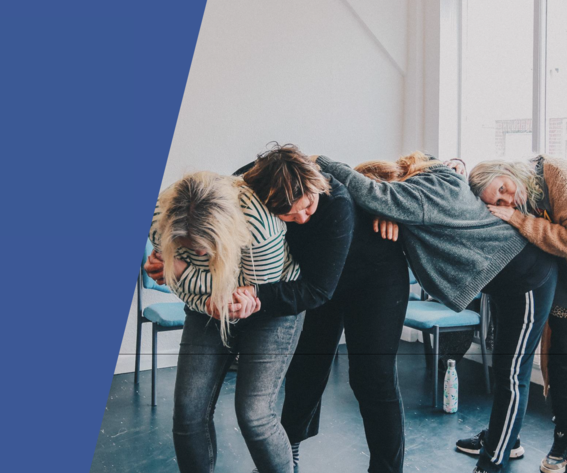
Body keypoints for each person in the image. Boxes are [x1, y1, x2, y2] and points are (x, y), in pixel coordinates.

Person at [148, 143, 409, 473]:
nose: (302, 217)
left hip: (371, 278)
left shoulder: (334, 203)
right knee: (305, 372)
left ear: (314, 186)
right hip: (304, 280)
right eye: (289, 213)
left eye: (307, 205)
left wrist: (250, 296)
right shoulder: (248, 186)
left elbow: (316, 290)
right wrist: (175, 262)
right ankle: (291, 451)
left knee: (373, 378)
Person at [319, 152, 558, 473]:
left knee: (512, 373)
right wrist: (390, 212)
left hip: (529, 276)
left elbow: (374, 194)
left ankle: (493, 462)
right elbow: (394, 193)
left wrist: (323, 162)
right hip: (504, 277)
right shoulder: (436, 181)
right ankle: (505, 440)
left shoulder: (430, 189)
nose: (504, 198)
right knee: (506, 368)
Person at [460, 156, 567, 473]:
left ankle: (565, 445)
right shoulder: (522, 185)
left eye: (504, 190)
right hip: (562, 272)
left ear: (507, 169)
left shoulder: (560, 177)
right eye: (499, 201)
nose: (508, 202)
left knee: (562, 360)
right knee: (543, 361)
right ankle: (507, 438)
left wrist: (517, 220)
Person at [149, 170, 304, 473]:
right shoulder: (160, 221)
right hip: (206, 306)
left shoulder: (259, 224)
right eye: (189, 250)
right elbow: (171, 277)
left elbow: (255, 296)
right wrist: (204, 299)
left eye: (205, 248)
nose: (198, 253)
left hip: (269, 308)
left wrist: (182, 271)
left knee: (254, 415)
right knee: (187, 411)